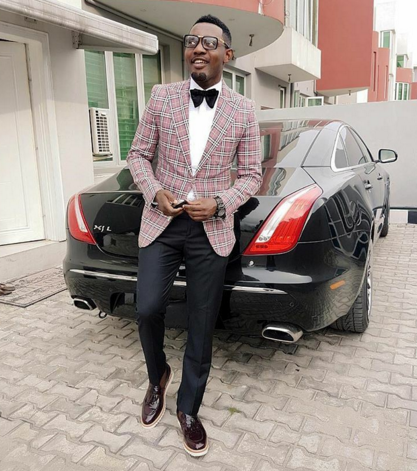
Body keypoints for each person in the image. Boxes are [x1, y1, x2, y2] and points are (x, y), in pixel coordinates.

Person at [126, 14, 262, 457]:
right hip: (162, 221)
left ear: (228, 54)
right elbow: (138, 155)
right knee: (147, 308)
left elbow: (251, 175)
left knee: (202, 323)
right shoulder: (161, 96)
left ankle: (188, 408)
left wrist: (221, 203)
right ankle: (158, 376)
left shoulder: (244, 110)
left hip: (212, 230)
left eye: (209, 42)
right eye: (191, 41)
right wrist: (155, 191)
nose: (198, 48)